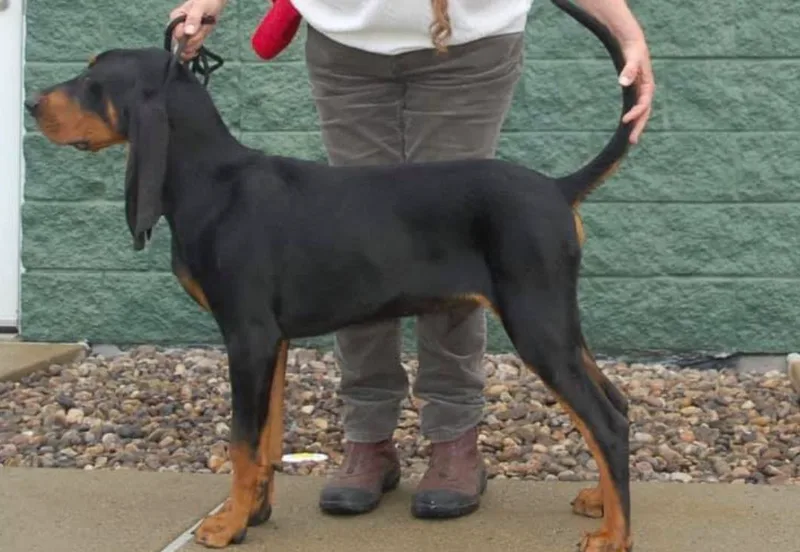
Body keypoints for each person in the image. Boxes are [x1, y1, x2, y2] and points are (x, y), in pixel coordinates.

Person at [169, 0, 655, 520]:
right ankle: (367, 438)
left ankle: (453, 439)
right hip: (345, 43)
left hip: (471, 42)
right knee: (346, 254)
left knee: (460, 256)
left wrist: (626, 34)